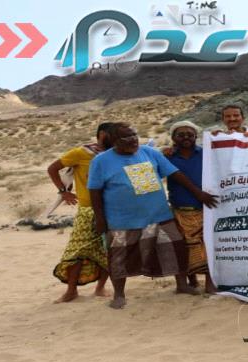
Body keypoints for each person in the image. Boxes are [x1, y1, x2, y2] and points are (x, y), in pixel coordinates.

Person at [88, 122, 218, 309]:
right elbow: (94, 191)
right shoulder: (101, 161)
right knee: (119, 257)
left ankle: (181, 285)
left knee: (175, 249)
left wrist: (198, 193)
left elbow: (175, 174)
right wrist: (100, 219)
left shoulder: (149, 152)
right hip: (122, 220)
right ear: (114, 140)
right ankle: (119, 295)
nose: (133, 140)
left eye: (134, 135)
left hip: (159, 215)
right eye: (126, 137)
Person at [47, 122, 113, 303]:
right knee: (77, 251)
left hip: (112, 208)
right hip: (87, 209)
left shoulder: (117, 153)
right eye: (113, 134)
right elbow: (53, 168)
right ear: (102, 134)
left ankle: (100, 288)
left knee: (109, 250)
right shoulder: (81, 153)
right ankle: (71, 291)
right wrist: (64, 192)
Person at [164, 120, 216, 295]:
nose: (186, 137)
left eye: (190, 134)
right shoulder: (167, 157)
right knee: (181, 247)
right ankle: (183, 284)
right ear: (173, 138)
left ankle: (209, 284)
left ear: (196, 136)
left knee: (207, 246)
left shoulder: (206, 153)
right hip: (179, 209)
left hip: (206, 208)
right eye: (181, 135)